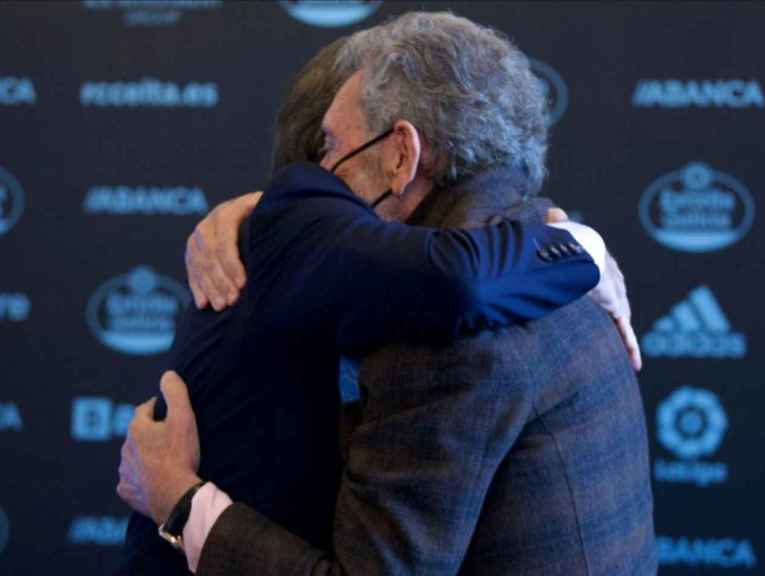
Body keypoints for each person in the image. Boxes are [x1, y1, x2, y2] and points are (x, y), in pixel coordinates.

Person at [119, 11, 655, 575]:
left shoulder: (436, 330)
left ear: (402, 153)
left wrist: (177, 500)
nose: (323, 173)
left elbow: (455, 278)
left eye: (331, 147)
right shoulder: (552, 261)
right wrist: (586, 246)